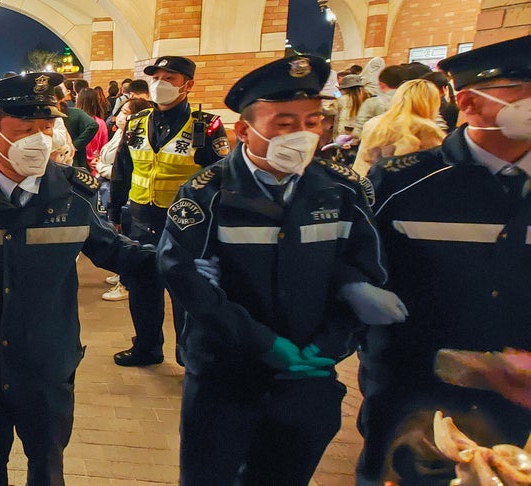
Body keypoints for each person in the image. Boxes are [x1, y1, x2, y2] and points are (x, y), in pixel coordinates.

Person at [156, 54, 393, 485]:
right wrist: (265, 344)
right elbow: (187, 279)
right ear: (243, 131)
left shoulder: (343, 189)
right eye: (283, 124)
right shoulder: (208, 192)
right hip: (226, 376)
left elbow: (363, 272)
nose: (301, 135)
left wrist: (330, 345)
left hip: (309, 379)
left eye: (312, 121)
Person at [0, 72, 155, 486]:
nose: (40, 140)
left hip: (48, 361)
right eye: (25, 130)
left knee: (47, 466)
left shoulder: (74, 195)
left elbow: (114, 252)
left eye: (46, 128)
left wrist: (179, 260)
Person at [358, 35, 531, 485]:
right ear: (470, 103)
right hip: (412, 390)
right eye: (524, 89)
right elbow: (363, 272)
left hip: (519, 398)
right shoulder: (406, 181)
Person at [106, 56, 228, 365]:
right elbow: (122, 170)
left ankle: (188, 354)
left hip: (185, 225)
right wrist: (114, 213)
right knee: (142, 287)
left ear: (188, 85)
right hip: (139, 219)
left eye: (169, 78)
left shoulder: (205, 126)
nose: (160, 84)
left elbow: (221, 177)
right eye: (155, 77)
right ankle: (146, 347)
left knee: (185, 292)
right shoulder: (136, 123)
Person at [351, 78, 446, 176]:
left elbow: (362, 162)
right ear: (431, 102)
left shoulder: (373, 123)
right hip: (403, 187)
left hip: (367, 183)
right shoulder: (427, 128)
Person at [355, 64, 408, 133]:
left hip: (375, 141)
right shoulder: (412, 101)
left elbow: (359, 130)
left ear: (381, 84)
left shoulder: (372, 102)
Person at [54, 86, 97, 167]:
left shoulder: (74, 113)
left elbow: (93, 125)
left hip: (74, 161)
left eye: (53, 99)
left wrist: (75, 145)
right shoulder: (47, 117)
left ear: (61, 99)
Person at [75, 88, 108, 174]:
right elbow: (103, 146)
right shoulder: (100, 123)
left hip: (76, 165)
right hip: (94, 166)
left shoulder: (74, 121)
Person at [332, 73, 371, 137]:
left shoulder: (342, 99)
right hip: (362, 134)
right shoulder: (368, 99)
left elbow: (329, 109)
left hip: (344, 135)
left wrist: (335, 94)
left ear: (346, 88)